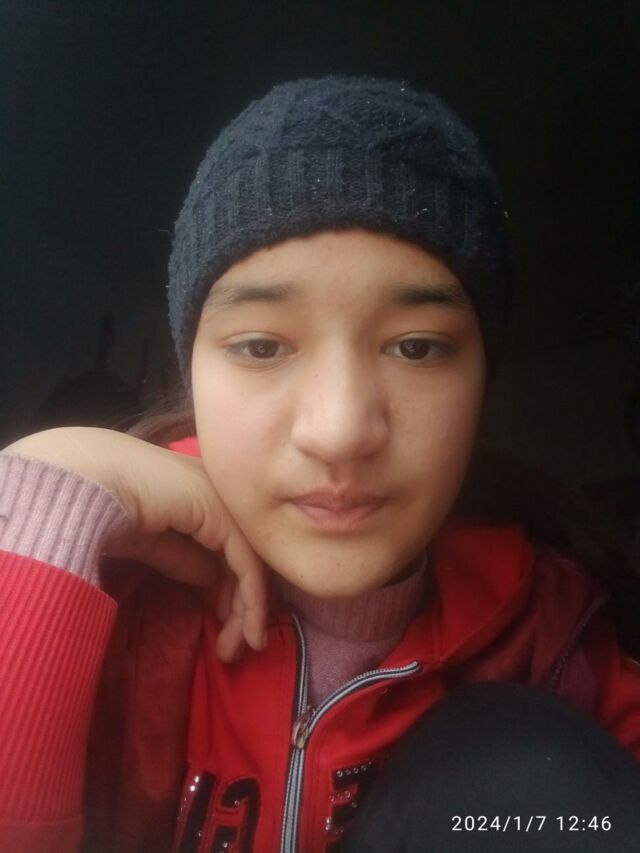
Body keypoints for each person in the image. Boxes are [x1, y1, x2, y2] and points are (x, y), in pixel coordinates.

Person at [1, 74, 640, 853]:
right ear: (191, 371)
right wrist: (48, 502)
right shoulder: (112, 599)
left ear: (481, 382)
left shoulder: (557, 645)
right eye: (261, 345)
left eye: (416, 347)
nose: (339, 431)